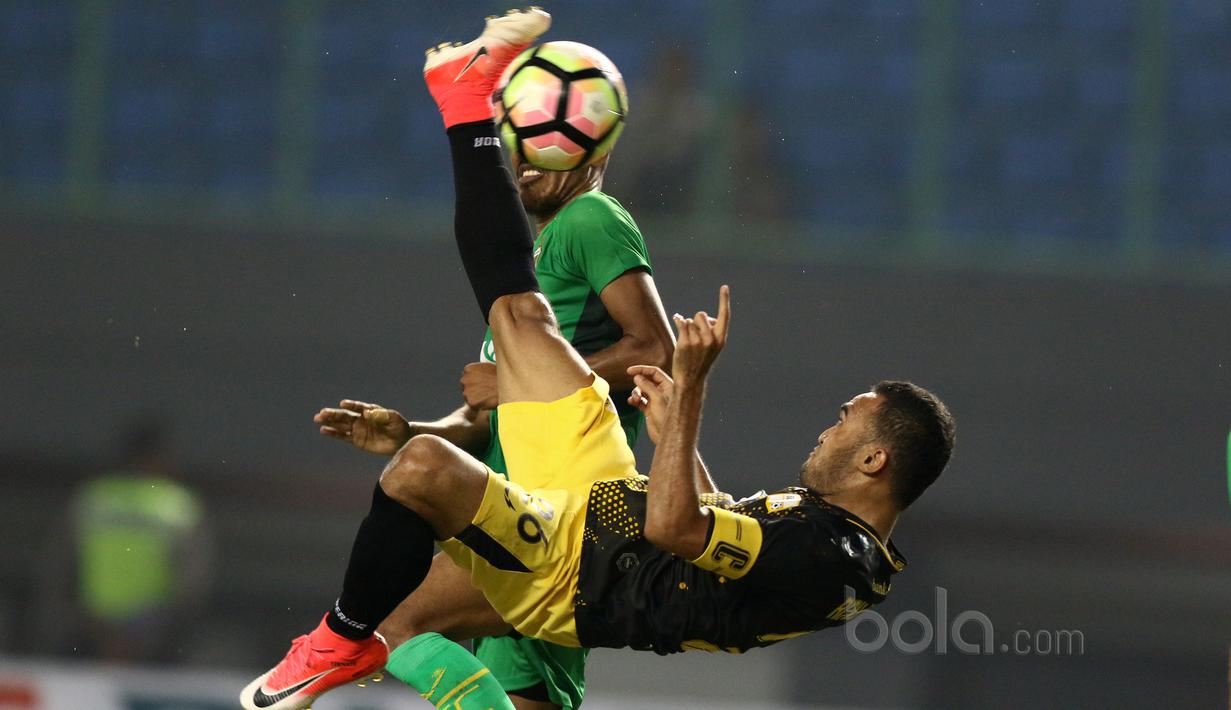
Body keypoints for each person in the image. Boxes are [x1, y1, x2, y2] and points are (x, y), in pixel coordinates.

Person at [241, 9, 956, 710]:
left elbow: (675, 529)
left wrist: (692, 387)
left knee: (429, 464)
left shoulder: (830, 556)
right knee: (512, 331)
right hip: (598, 501)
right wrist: (674, 420)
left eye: (843, 424)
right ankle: (464, 93)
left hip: (585, 573)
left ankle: (464, 99)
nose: (826, 431)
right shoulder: (826, 533)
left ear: (874, 462)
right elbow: (704, 518)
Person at [312, 23, 672, 710]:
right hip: (533, 510)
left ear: (592, 143)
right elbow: (494, 420)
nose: (529, 158)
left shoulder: (591, 219)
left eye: (547, 141)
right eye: (522, 142)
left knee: (387, 623)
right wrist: (411, 431)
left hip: (562, 516)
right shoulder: (532, 274)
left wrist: (509, 385)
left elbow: (656, 351)